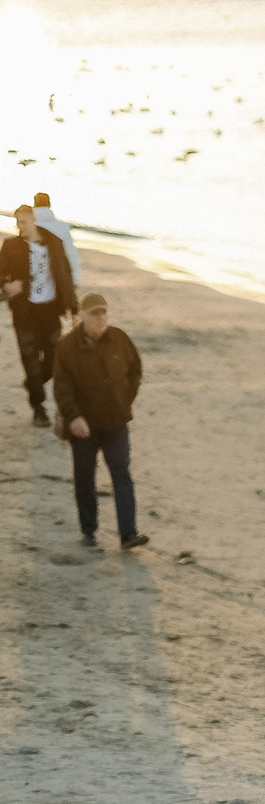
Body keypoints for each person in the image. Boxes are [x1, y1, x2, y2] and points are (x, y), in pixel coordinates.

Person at [52, 290, 147, 550]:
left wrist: (125, 399)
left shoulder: (119, 338)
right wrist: (73, 417)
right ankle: (89, 531)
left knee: (122, 475)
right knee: (84, 478)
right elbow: (62, 386)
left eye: (104, 312)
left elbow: (135, 370)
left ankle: (128, 534)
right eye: (95, 313)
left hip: (116, 423)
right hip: (84, 427)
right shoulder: (66, 346)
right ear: (82, 315)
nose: (101, 318)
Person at [3, 203, 78, 426]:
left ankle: (33, 384)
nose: (20, 227)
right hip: (24, 314)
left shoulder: (54, 243)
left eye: (23, 222)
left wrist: (74, 309)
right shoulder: (10, 246)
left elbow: (66, 276)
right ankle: (39, 408)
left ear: (34, 220)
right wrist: (5, 287)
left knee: (55, 361)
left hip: (50, 311)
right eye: (17, 222)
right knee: (31, 362)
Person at [30, 194, 83, 294]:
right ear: (49, 204)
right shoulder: (62, 227)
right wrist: (75, 280)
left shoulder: (28, 224)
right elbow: (71, 254)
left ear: (34, 204)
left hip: (32, 277)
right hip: (57, 277)